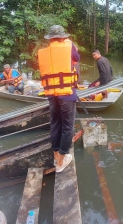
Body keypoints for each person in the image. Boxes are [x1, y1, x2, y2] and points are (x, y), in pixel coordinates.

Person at [38, 25, 80, 173]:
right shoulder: (69, 46)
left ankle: (56, 155)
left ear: (50, 38)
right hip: (66, 93)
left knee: (55, 124)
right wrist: (70, 43)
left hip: (51, 94)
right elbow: (77, 58)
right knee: (68, 126)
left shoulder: (42, 52)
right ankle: (61, 162)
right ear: (63, 37)